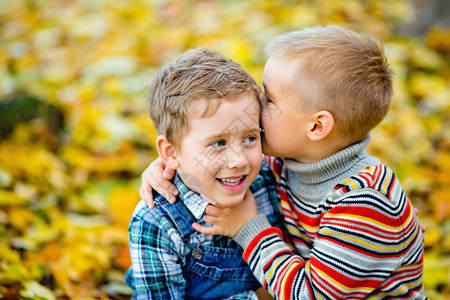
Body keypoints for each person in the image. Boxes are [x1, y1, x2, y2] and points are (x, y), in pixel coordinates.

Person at [139, 25, 426, 299]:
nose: (257, 107)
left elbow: (309, 295)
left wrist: (249, 227)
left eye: (270, 100)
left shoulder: (363, 202)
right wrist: (170, 164)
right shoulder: (287, 165)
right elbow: (212, 145)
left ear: (316, 128)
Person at [125, 47, 283, 300]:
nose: (238, 160)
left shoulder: (267, 176)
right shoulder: (156, 223)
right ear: (170, 153)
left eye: (250, 138)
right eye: (218, 143)